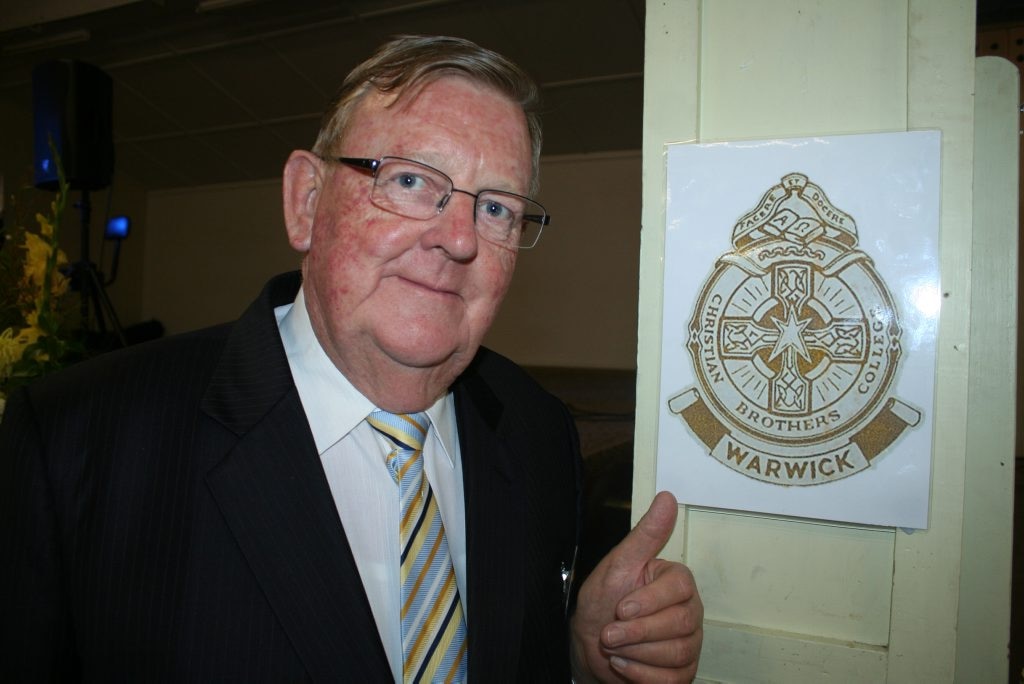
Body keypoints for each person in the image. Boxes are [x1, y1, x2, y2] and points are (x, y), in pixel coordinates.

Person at [0, 35, 702, 682]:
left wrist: (578, 657)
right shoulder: (75, 444)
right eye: (408, 181)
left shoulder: (538, 435)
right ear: (306, 201)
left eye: (496, 209)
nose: (458, 239)